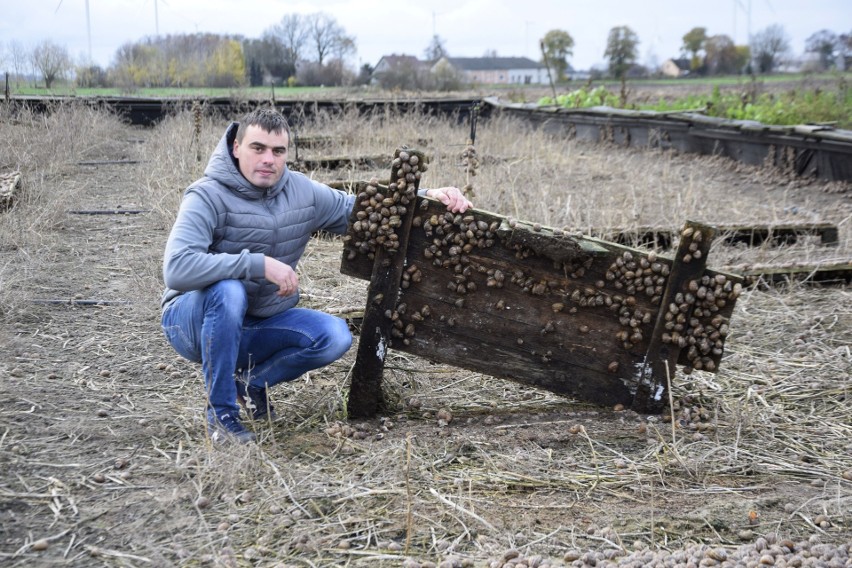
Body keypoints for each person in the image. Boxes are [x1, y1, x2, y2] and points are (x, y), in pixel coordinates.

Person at [161, 108, 472, 443]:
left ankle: (250, 383)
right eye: (258, 148)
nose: (269, 159)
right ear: (236, 147)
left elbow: (363, 210)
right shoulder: (206, 194)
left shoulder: (302, 192)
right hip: (192, 322)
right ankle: (221, 416)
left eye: (278, 151)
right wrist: (258, 264)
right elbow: (177, 268)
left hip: (258, 322)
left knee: (334, 336)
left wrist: (429, 198)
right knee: (229, 291)